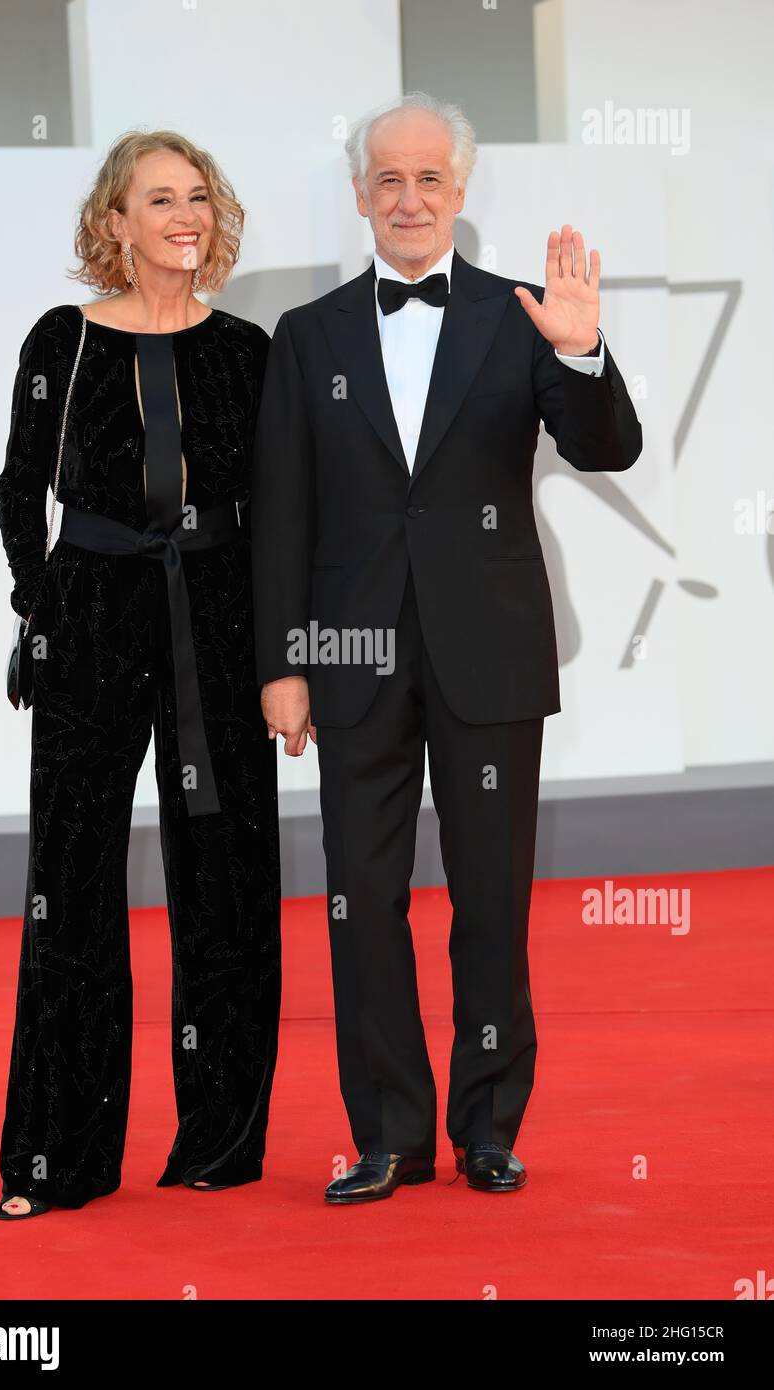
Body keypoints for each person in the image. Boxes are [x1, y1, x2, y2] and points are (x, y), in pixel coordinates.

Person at [250, 92, 642, 1204]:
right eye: (387, 179)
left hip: (489, 650)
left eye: (428, 178)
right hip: (350, 651)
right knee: (360, 897)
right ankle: (387, 1134)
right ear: (361, 196)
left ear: (459, 193)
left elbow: (606, 446)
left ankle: (485, 1127)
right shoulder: (307, 335)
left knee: (489, 896)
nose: (408, 197)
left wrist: (581, 351)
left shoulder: (521, 317)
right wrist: (281, 663)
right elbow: (282, 514)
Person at [0, 130, 281, 1219]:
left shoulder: (247, 349)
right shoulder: (59, 341)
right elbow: (21, 491)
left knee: (229, 877)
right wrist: (41, 611)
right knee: (68, 882)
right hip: (95, 613)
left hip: (217, 615)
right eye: (157, 200)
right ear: (113, 223)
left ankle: (218, 1141)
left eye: (197, 197)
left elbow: (277, 514)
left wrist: (280, 657)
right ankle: (56, 1157)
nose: (183, 217)